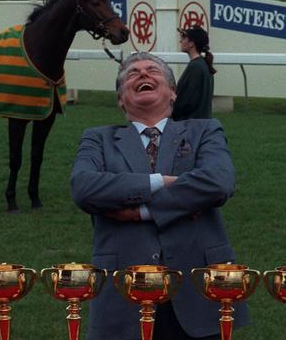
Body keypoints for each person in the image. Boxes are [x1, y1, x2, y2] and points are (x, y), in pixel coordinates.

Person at [70, 52, 248, 340]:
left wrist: (143, 211)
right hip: (124, 290)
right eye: (132, 73)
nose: (142, 74)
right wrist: (159, 182)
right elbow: (84, 187)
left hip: (197, 287)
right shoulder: (98, 138)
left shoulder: (204, 131)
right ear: (120, 99)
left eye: (153, 70)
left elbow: (218, 182)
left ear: (173, 92)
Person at [172, 26, 216, 121]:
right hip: (200, 125)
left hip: (190, 126)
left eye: (184, 38)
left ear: (191, 43)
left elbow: (187, 101)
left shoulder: (195, 67)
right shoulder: (203, 64)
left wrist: (173, 101)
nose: (181, 41)